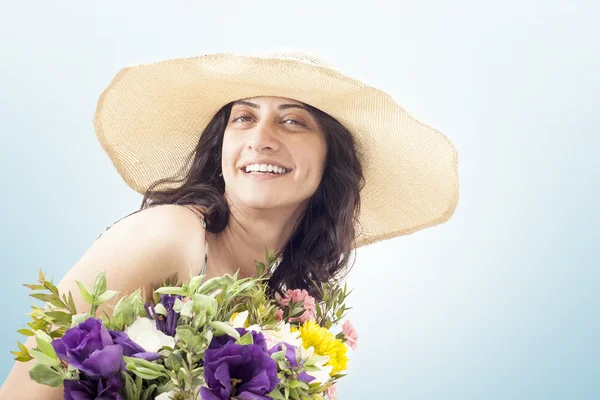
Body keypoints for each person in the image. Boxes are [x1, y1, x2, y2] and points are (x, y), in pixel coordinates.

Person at [0, 50, 459, 399]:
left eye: (293, 122)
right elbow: (24, 390)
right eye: (244, 118)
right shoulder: (170, 236)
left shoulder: (283, 311)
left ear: (330, 162)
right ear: (222, 150)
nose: (261, 139)